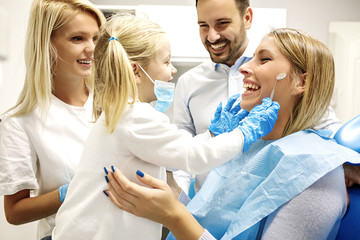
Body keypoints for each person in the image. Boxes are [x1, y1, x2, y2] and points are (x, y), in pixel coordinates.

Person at [105, 28, 360, 240]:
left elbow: (186, 220)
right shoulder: (248, 146)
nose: (245, 68)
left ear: (301, 83)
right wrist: (164, 174)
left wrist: (173, 216)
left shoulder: (316, 173)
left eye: (264, 59)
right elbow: (206, 213)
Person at [51, 13, 279, 240]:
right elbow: (195, 157)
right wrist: (244, 132)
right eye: (167, 61)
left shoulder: (122, 111)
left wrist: (212, 134)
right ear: (135, 71)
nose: (172, 70)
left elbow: (183, 150)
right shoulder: (136, 116)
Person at [171, 0, 343, 195]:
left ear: (247, 18)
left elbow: (323, 121)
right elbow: (182, 154)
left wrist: (345, 166)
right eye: (203, 25)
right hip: (205, 207)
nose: (212, 36)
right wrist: (178, 204)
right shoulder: (188, 83)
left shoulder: (275, 73)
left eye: (222, 23)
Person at [0, 0, 105, 239]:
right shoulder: (21, 122)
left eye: (96, 38)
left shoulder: (112, 104)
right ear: (47, 44)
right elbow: (15, 212)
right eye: (78, 38)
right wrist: (72, 191)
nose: (91, 49)